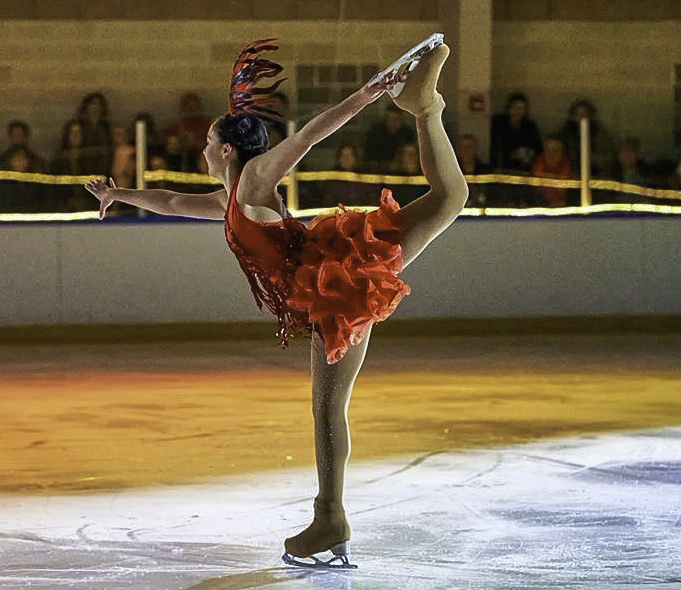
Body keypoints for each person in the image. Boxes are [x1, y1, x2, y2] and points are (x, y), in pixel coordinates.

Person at [86, 37, 467, 568]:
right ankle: (426, 106)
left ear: (225, 150)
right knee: (448, 199)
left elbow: (310, 134)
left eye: (208, 142)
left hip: (337, 283)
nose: (200, 150)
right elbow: (170, 200)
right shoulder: (229, 197)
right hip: (323, 287)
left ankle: (330, 516)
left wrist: (369, 91)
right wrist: (119, 195)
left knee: (328, 405)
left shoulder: (255, 179)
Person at [363, 102, 416, 173]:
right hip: (378, 170)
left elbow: (412, 155)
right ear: (386, 119)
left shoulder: (407, 133)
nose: (393, 124)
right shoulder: (375, 133)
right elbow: (369, 157)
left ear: (401, 120)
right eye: (390, 120)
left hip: (403, 170)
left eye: (396, 120)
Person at [531, 135, 572, 207]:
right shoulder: (540, 160)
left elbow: (563, 185)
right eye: (548, 149)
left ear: (562, 151)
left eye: (556, 149)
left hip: (561, 202)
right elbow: (537, 181)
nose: (552, 153)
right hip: (540, 200)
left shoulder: (565, 162)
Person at [455, 133, 491, 207]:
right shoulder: (452, 173)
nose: (466, 150)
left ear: (476, 149)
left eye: (469, 146)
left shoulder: (486, 172)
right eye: (463, 147)